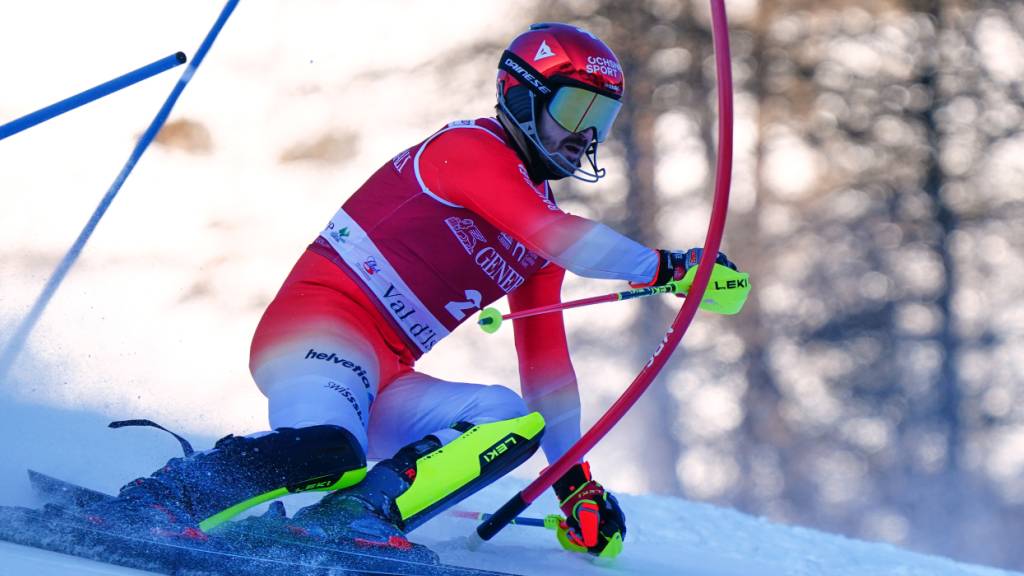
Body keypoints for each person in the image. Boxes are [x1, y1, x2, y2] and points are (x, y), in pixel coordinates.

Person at [87, 22, 737, 559]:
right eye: (574, 109)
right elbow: (561, 234)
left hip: (387, 371)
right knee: (331, 449)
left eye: (602, 116)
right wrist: (672, 267)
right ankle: (164, 498)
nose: (585, 134)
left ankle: (353, 517)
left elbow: (547, 373)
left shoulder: (540, 230)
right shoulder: (469, 150)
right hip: (319, 325)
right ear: (521, 95)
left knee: (512, 418)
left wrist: (573, 486)